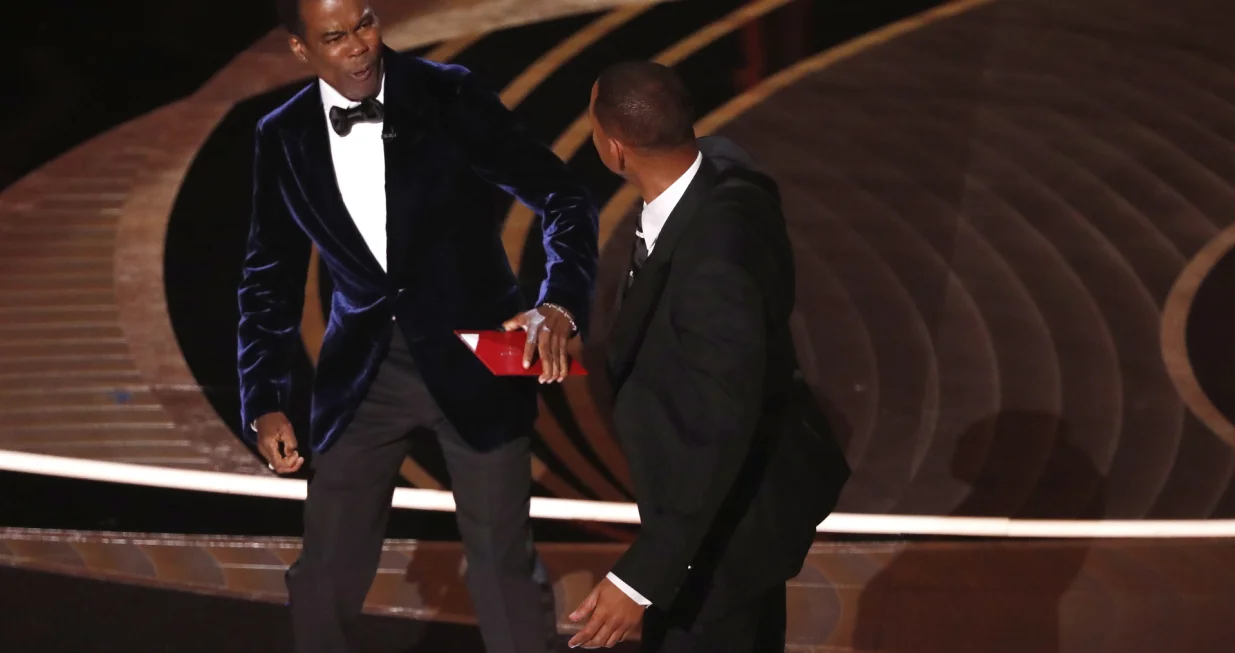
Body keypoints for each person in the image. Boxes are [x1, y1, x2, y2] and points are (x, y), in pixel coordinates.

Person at [237, 1, 599, 651]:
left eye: (365, 25)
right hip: (364, 374)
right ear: (300, 49)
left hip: (477, 360)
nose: (357, 47)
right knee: (325, 571)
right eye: (334, 37)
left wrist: (560, 303)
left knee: (501, 565)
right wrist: (264, 398)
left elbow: (562, 195)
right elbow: (269, 277)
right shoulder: (281, 134)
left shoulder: (447, 94)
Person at [566, 62, 851, 651]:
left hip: (724, 528)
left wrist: (640, 579)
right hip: (737, 504)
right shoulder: (729, 172)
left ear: (615, 150)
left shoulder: (712, 265)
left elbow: (720, 428)